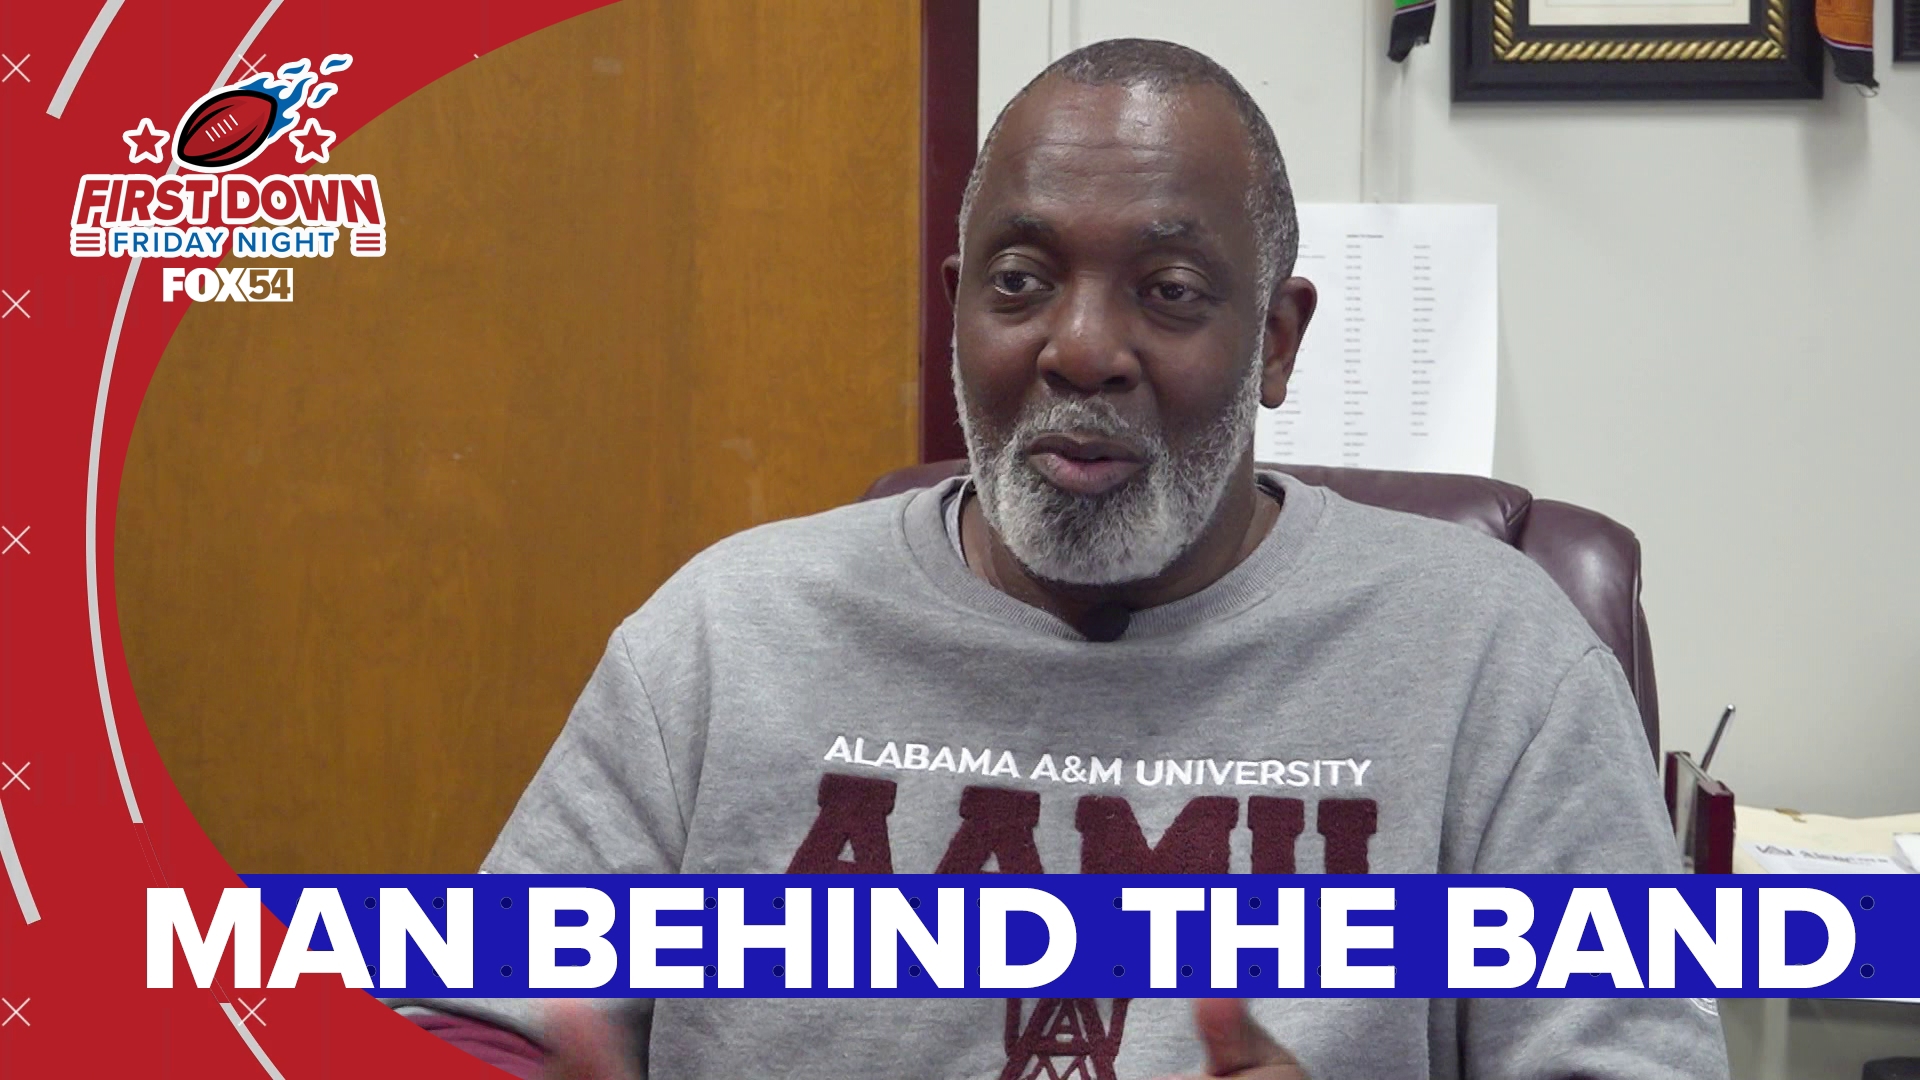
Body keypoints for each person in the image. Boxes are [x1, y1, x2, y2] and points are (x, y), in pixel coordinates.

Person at [393, 38, 1729, 1080]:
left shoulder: (1499, 663)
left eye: (1169, 291)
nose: (1079, 349)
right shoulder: (723, 638)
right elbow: (474, 1018)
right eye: (1020, 280)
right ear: (956, 306)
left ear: (1276, 338)